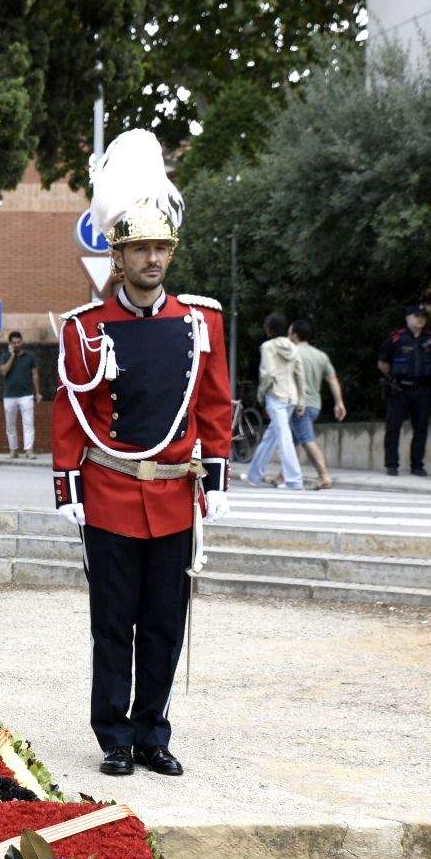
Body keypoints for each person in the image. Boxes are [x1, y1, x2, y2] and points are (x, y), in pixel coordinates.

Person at [53, 129, 232, 778]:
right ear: (118, 255)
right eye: (139, 249)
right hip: (111, 492)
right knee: (113, 625)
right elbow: (72, 411)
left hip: (174, 494)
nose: (152, 259)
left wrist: (216, 474)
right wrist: (66, 486)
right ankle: (115, 735)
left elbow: (214, 402)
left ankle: (154, 732)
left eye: (161, 247)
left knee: (164, 622)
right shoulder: (86, 328)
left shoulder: (200, 322)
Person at [378, 305, 431, 476]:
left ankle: (417, 465)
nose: (420, 319)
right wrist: (393, 380)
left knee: (421, 428)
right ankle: (392, 465)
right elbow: (383, 363)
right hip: (400, 388)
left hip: (422, 389)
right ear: (408, 318)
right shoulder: (396, 338)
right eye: (416, 316)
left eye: (423, 316)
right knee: (393, 428)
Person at [243, 312, 304, 490]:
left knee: (282, 436)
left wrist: (261, 395)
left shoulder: (267, 346)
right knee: (271, 437)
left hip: (276, 395)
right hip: (291, 396)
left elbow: (267, 373)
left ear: (269, 329)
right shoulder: (293, 347)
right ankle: (254, 475)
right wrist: (301, 401)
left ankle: (294, 479)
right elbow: (300, 374)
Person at [290, 319, 344, 489]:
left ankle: (324, 476)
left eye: (289, 333)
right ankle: (282, 475)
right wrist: (339, 403)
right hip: (315, 406)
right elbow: (333, 380)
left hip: (300, 406)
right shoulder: (321, 355)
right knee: (292, 440)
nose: (288, 336)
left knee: (307, 440)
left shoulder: (291, 352)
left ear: (295, 335)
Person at [0, 329, 43, 457]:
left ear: (22, 342)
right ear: (10, 344)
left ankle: (29, 450)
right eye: (14, 343)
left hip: (26, 395)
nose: (17, 344)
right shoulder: (5, 356)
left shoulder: (30, 356)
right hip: (9, 396)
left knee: (28, 422)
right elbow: (3, 372)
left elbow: (35, 375)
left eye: (19, 342)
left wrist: (38, 392)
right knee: (10, 424)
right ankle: (13, 450)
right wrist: (12, 355)